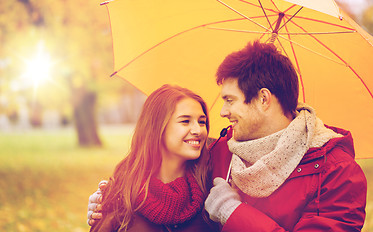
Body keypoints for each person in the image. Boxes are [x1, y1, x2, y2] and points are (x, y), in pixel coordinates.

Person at [88, 41, 367, 231]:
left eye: (230, 100)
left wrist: (233, 212)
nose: (221, 112)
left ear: (263, 99)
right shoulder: (219, 152)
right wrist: (112, 203)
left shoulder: (337, 173)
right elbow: (166, 185)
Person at [88, 84, 218, 232]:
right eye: (185, 121)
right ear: (158, 127)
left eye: (202, 121)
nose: (198, 130)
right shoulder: (123, 192)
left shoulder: (210, 190)